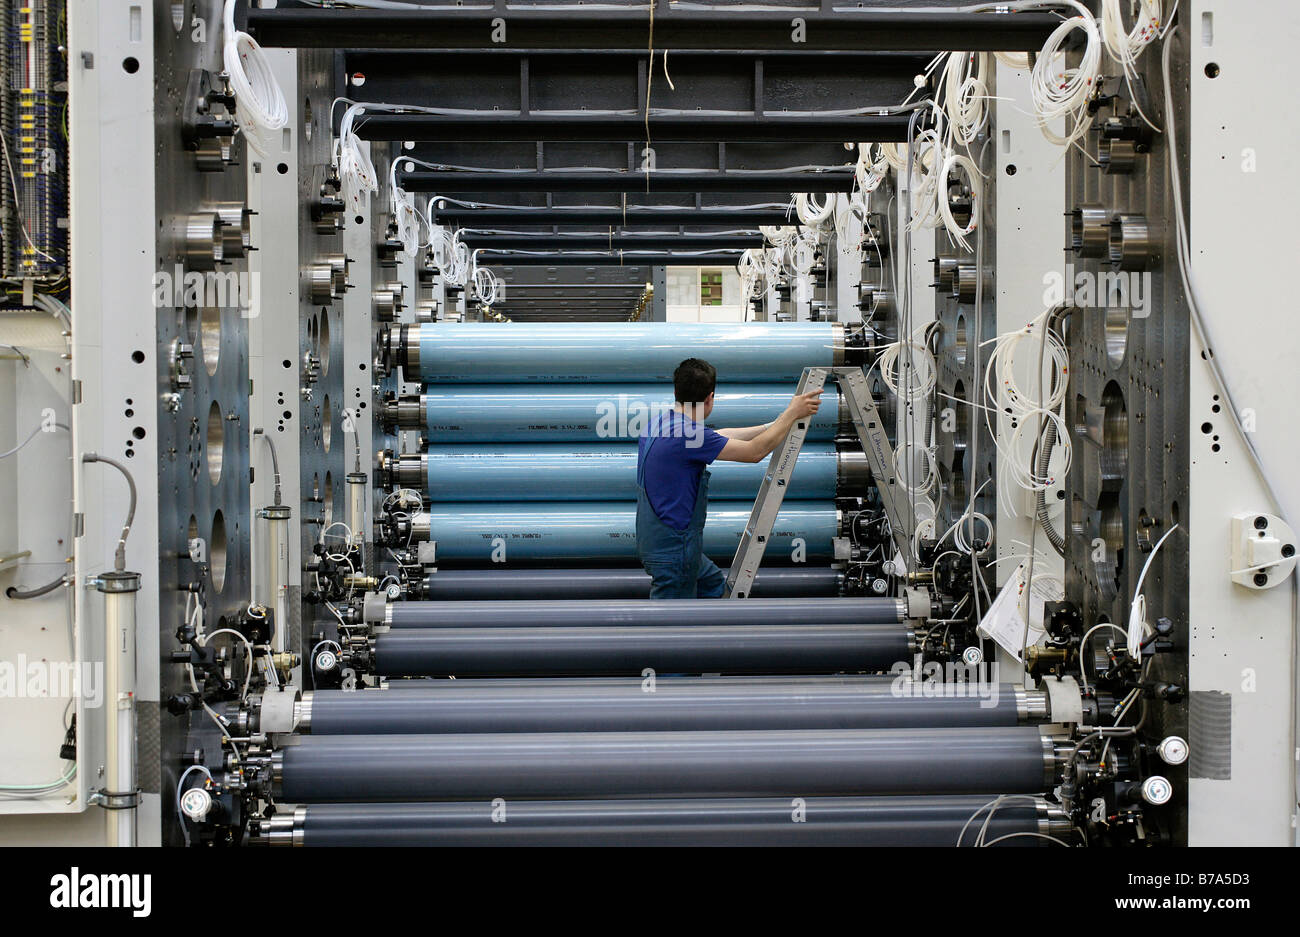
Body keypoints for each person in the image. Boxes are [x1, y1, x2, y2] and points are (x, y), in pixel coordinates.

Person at [635, 357, 823, 599]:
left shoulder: (661, 424)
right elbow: (755, 452)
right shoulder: (688, 435)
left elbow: (719, 436)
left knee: (714, 586)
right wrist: (791, 414)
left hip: (658, 542)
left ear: (676, 391)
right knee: (671, 626)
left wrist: (775, 424)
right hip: (674, 551)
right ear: (710, 398)